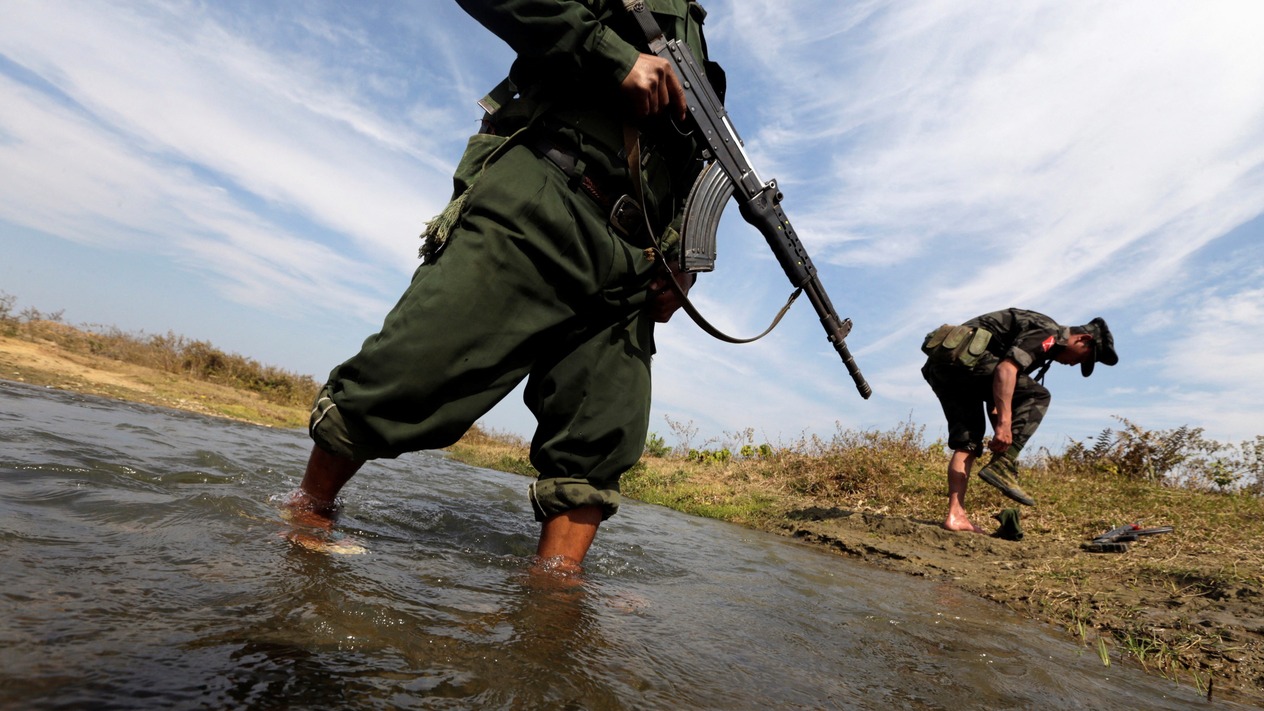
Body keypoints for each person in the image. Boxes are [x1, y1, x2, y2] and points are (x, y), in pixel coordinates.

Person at [284, 0, 721, 572]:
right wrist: (614, 57)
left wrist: (683, 259)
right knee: (416, 363)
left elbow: (698, 174)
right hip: (548, 191)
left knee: (599, 431)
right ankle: (308, 514)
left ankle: (557, 591)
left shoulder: (705, 63)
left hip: (634, 259)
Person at [920, 308, 1118, 533]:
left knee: (968, 443)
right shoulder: (1048, 332)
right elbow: (1005, 371)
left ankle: (955, 516)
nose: (1074, 364)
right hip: (969, 361)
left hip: (946, 367)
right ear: (1083, 339)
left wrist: (1000, 434)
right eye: (1083, 357)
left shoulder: (1041, 342)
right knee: (1038, 395)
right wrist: (1005, 426)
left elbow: (996, 392)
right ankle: (1004, 465)